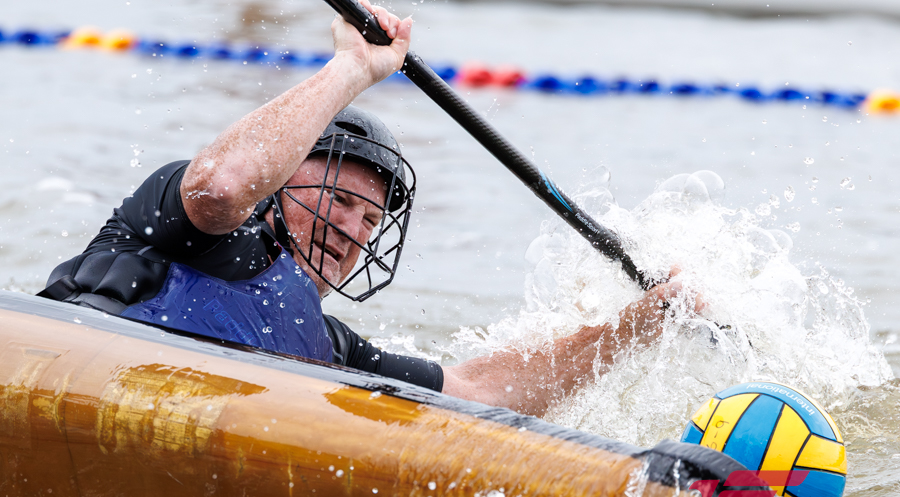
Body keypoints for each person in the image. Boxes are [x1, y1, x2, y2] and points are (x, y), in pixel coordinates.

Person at [40, 1, 701, 418]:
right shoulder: (176, 223)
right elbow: (223, 185)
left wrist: (640, 324)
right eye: (341, 200)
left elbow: (480, 394)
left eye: (371, 219)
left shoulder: (323, 347)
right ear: (280, 181)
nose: (353, 230)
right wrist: (353, 67)